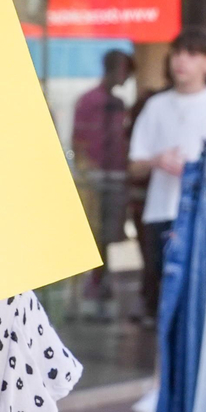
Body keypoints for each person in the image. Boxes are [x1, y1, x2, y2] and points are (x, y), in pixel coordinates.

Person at [129, 27, 206, 320]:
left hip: (205, 210)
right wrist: (157, 160)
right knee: (163, 291)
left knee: (200, 294)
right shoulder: (155, 106)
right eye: (178, 53)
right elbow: (134, 164)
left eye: (192, 54)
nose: (181, 61)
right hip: (161, 210)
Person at [71, 49, 135, 313]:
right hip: (95, 180)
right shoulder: (91, 102)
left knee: (107, 235)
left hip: (114, 178)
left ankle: (100, 286)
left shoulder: (116, 104)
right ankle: (91, 288)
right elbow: (81, 141)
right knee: (94, 233)